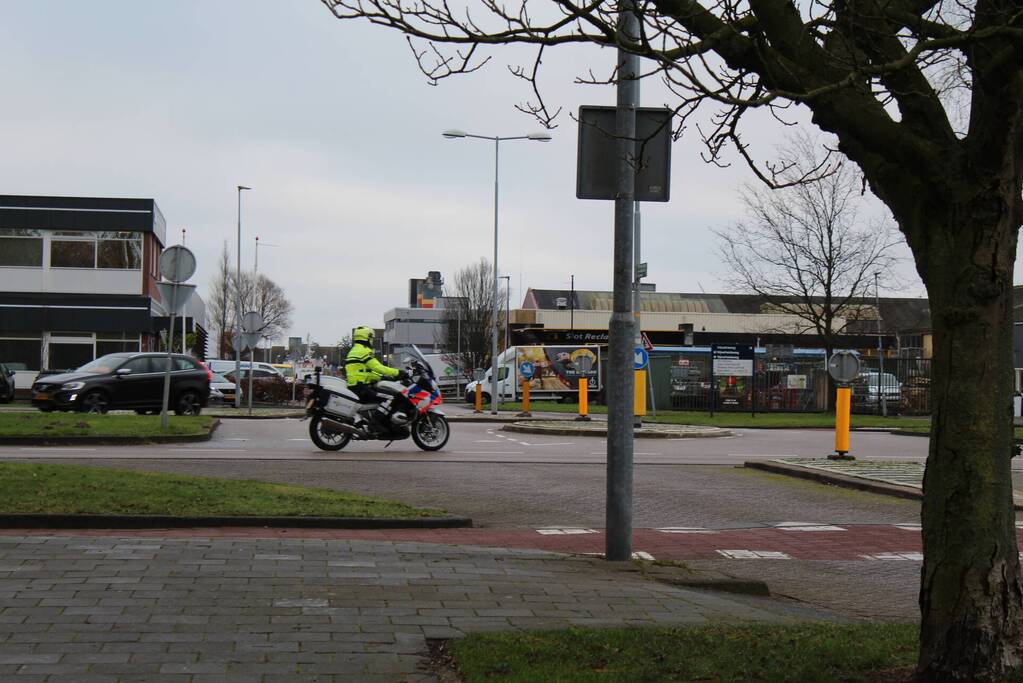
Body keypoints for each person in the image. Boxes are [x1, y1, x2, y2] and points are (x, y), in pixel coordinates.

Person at [344, 327, 408, 405]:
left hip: (356, 386)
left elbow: (365, 371)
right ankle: (379, 417)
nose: (372, 340)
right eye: (371, 338)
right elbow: (378, 367)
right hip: (361, 388)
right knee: (393, 397)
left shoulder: (355, 350)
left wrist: (381, 377)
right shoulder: (364, 351)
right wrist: (398, 372)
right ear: (367, 338)